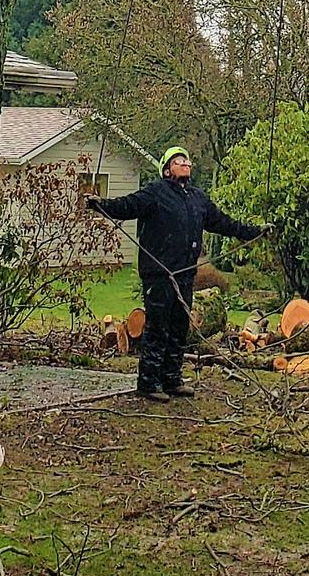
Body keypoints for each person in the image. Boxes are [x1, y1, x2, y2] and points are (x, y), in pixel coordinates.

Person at [87, 147, 263, 402]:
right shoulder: (156, 192)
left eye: (187, 160)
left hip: (184, 275)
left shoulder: (197, 198)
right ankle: (148, 383)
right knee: (157, 328)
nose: (186, 163)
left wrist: (254, 232)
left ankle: (172, 379)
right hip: (159, 274)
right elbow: (127, 206)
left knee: (179, 327)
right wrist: (100, 204)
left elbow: (225, 223)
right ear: (167, 169)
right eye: (179, 161)